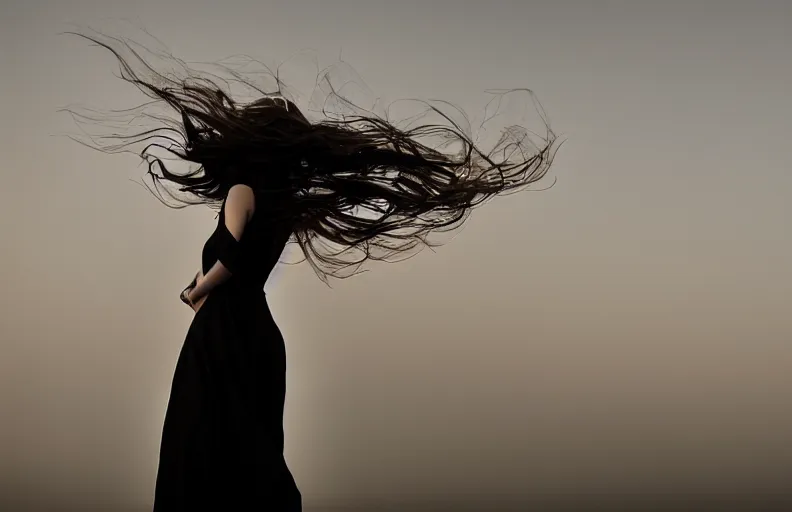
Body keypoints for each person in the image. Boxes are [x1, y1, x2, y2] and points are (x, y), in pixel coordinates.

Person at [63, 29, 559, 512]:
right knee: (251, 445)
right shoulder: (283, 206)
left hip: (225, 331)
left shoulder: (242, 193)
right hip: (257, 335)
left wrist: (197, 289)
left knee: (201, 439)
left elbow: (233, 259)